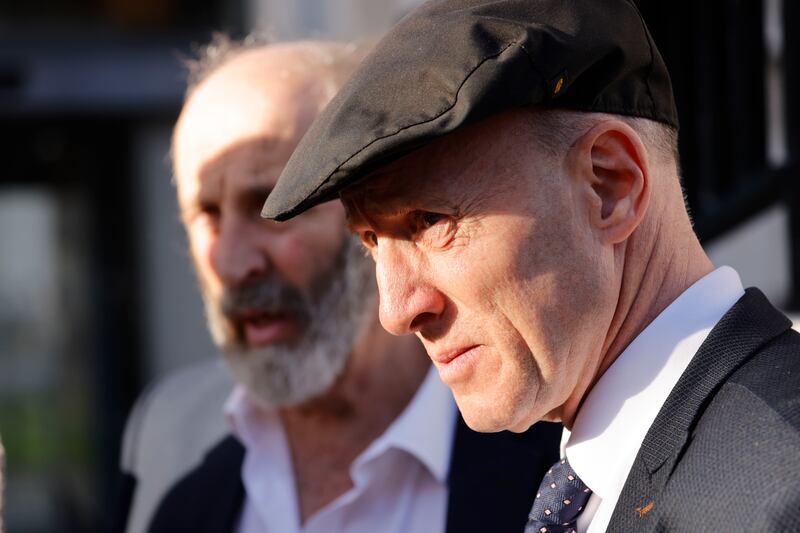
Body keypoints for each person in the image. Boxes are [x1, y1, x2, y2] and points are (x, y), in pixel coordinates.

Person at [260, 1, 800, 531]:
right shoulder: (607, 471)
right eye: (372, 241)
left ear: (608, 186)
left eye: (429, 221)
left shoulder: (780, 484)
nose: (396, 311)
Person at [114, 37, 561, 533]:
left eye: (271, 206)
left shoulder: (551, 439)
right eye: (208, 215)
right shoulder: (167, 433)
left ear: (374, 209)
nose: (235, 264)